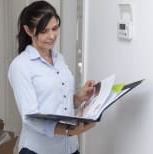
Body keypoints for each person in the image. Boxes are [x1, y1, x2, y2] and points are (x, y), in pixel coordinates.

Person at [8, 1, 96, 154]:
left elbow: (58, 101)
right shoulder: (21, 66)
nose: (52, 36)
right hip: (40, 150)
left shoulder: (59, 58)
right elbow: (30, 117)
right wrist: (69, 130)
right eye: (44, 31)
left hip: (70, 148)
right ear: (28, 30)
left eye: (55, 28)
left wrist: (78, 98)